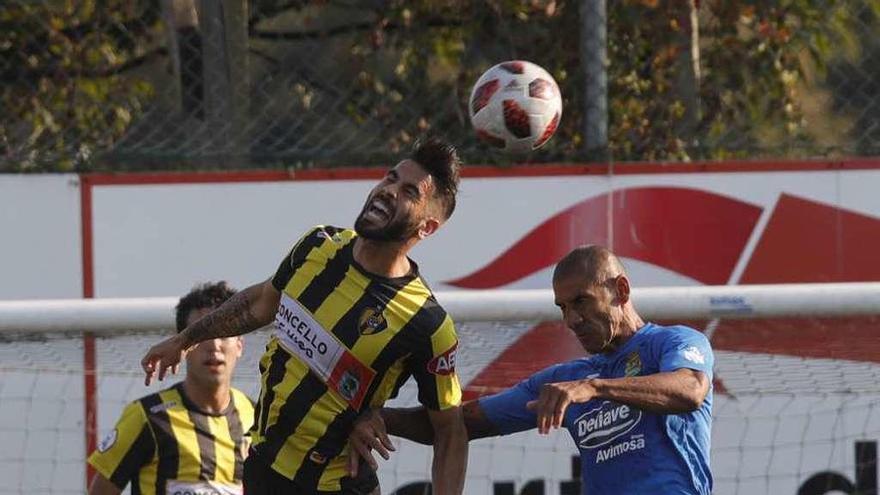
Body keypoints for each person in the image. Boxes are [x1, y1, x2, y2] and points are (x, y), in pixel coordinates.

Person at [140, 137, 468, 495]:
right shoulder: (319, 245)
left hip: (336, 485)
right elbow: (261, 303)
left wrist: (381, 418)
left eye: (409, 192)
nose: (389, 190)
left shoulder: (426, 323)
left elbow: (449, 431)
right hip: (263, 469)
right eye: (390, 178)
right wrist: (186, 339)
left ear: (427, 227)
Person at [350, 245, 714, 494]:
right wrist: (379, 416)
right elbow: (458, 423)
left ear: (620, 290)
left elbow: (690, 390)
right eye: (562, 308)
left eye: (581, 302)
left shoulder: (674, 343)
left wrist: (596, 388)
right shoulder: (563, 380)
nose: (571, 320)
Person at [88, 281, 253, 495]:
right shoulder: (147, 417)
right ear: (182, 345)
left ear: (239, 345)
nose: (214, 346)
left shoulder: (256, 417)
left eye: (224, 333)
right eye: (202, 334)